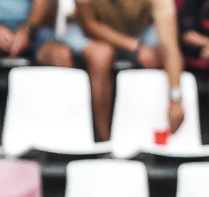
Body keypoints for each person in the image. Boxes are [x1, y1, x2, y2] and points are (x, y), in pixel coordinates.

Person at [58, 0, 186, 141]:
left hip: (139, 33)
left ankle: (146, 136)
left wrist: (175, 98)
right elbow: (88, 25)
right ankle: (104, 141)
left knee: (157, 54)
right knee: (100, 56)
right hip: (92, 31)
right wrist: (134, 46)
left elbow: (170, 46)